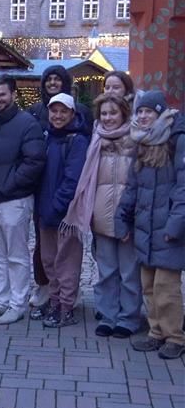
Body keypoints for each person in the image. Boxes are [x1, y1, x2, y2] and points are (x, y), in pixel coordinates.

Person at [61, 94, 141, 337]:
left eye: (113, 113)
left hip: (128, 217)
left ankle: (128, 318)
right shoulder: (95, 141)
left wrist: (131, 217)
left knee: (129, 272)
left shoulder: (137, 141)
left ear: (124, 114)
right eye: (104, 113)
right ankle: (108, 315)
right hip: (101, 215)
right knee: (106, 270)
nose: (108, 118)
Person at [116, 91, 185, 359]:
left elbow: (182, 188)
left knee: (166, 288)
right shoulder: (142, 142)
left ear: (161, 113)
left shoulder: (176, 141)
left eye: (149, 112)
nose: (143, 116)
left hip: (168, 228)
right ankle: (156, 332)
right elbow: (132, 187)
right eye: (140, 112)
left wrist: (176, 225)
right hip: (145, 227)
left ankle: (175, 337)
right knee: (148, 285)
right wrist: (123, 218)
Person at [0, 75, 46, 325]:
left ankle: (17, 303)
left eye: (2, 94)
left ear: (13, 94)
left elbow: (34, 162)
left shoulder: (27, 124)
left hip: (14, 199)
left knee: (16, 255)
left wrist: (8, 185)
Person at [26, 65, 94, 311]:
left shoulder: (76, 138)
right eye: (53, 111)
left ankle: (65, 303)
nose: (56, 115)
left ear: (72, 113)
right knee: (47, 256)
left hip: (63, 207)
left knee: (67, 257)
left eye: (62, 111)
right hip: (44, 205)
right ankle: (52, 297)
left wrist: (56, 206)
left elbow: (72, 177)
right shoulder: (44, 129)